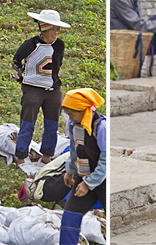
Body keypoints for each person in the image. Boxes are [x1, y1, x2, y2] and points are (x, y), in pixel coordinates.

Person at [12, 10, 69, 165]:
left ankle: (47, 156)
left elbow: (58, 64)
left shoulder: (60, 45)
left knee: (52, 125)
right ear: (44, 28)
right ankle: (21, 157)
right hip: (32, 89)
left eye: (58, 29)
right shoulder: (29, 45)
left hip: (52, 89)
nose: (56, 32)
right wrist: (22, 79)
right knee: (27, 124)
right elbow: (16, 62)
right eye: (53, 29)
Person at [58, 88, 106, 245]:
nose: (70, 118)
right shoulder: (73, 125)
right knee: (69, 217)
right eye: (68, 115)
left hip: (103, 180)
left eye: (73, 114)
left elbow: (105, 162)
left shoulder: (101, 128)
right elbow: (74, 149)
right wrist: (70, 170)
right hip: (84, 176)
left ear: (84, 110)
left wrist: (89, 183)